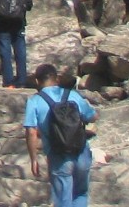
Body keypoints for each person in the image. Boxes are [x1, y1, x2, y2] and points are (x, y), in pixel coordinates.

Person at [24, 65, 97, 207]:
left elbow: (31, 132)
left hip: (58, 156)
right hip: (81, 152)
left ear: (37, 81)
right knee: (81, 193)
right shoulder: (72, 95)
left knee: (63, 200)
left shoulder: (34, 101)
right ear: (56, 79)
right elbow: (93, 116)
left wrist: (34, 159)